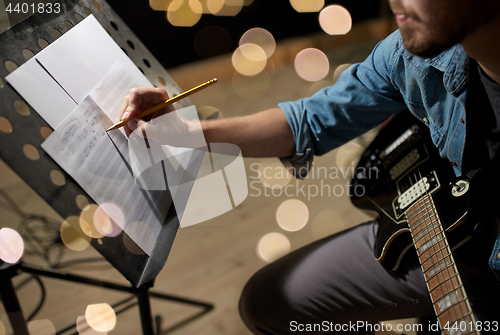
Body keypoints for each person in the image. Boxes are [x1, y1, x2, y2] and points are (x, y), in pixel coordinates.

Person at [120, 0, 500, 333]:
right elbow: (309, 119)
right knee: (266, 303)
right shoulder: (414, 52)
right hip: (454, 217)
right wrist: (185, 132)